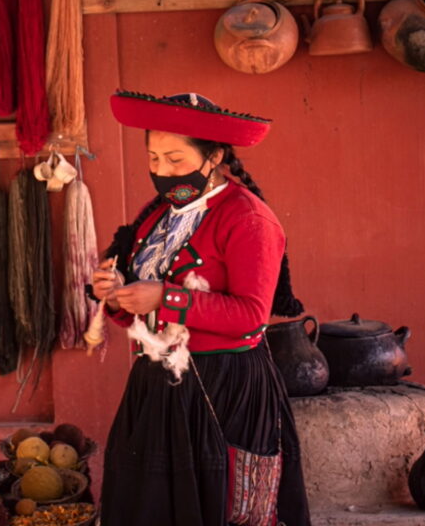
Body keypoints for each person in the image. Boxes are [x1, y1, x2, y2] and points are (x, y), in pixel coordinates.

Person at [92, 91, 311, 526]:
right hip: (156, 385)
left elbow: (251, 314)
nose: (161, 171)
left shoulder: (248, 218)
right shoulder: (157, 216)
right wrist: (118, 294)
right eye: (154, 158)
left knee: (220, 507)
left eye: (175, 159)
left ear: (213, 157)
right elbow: (142, 306)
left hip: (223, 387)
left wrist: (165, 297)